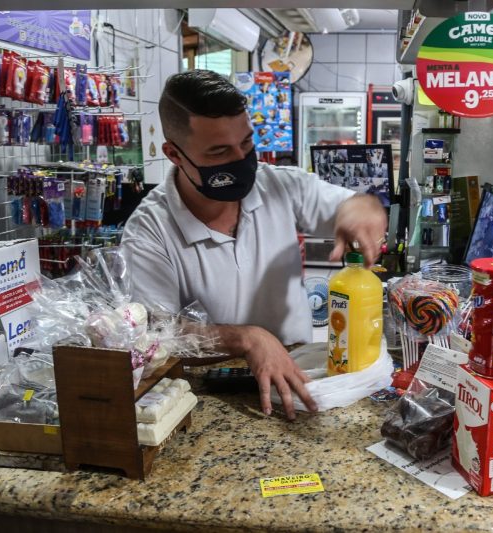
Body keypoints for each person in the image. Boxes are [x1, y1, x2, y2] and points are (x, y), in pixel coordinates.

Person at [121, 70, 387, 420]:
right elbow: (157, 337)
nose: (240, 159)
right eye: (218, 151)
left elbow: (354, 204)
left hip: (298, 375)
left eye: (246, 143)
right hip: (208, 397)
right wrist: (245, 339)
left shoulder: (279, 186)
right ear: (175, 154)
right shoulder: (148, 231)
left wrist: (363, 209)